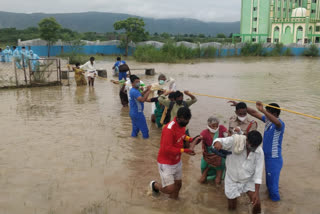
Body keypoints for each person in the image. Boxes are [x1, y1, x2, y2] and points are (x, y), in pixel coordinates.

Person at [150, 107, 202, 199]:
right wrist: (185, 150)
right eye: (185, 120)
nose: (186, 122)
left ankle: (173, 203)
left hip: (177, 161)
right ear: (178, 118)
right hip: (165, 162)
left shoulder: (182, 125)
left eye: (188, 120)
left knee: (178, 185)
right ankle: (155, 185)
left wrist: (191, 139)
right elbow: (167, 149)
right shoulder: (169, 129)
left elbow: (182, 135)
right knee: (170, 189)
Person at [213, 130, 264, 214]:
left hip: (248, 180)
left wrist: (256, 193)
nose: (252, 148)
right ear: (247, 140)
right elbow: (220, 140)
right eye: (251, 145)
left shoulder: (259, 152)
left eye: (255, 146)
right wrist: (217, 143)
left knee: (257, 204)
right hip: (232, 178)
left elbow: (258, 173)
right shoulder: (235, 140)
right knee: (232, 206)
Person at [246, 101, 285, 202]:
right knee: (269, 185)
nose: (264, 115)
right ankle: (272, 205)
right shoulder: (268, 122)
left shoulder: (280, 124)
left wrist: (263, 110)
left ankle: (275, 205)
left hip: (274, 160)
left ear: (275, 114)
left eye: (267, 113)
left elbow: (277, 122)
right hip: (267, 158)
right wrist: (240, 106)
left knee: (273, 189)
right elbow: (254, 113)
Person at [199, 116, 228, 184]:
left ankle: (216, 189)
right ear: (209, 125)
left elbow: (227, 134)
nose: (215, 128)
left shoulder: (221, 128)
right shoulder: (204, 133)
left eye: (216, 125)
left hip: (219, 156)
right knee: (202, 179)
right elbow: (200, 140)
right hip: (209, 156)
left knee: (218, 179)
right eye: (213, 126)